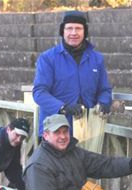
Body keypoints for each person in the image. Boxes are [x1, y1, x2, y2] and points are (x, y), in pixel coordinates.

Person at [33, 10, 112, 138]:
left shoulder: (97, 59)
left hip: (87, 129)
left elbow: (104, 89)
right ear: (62, 31)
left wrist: (103, 102)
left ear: (84, 32)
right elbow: (39, 92)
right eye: (69, 28)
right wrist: (63, 107)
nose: (73, 33)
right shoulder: (48, 58)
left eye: (78, 28)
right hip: (55, 130)